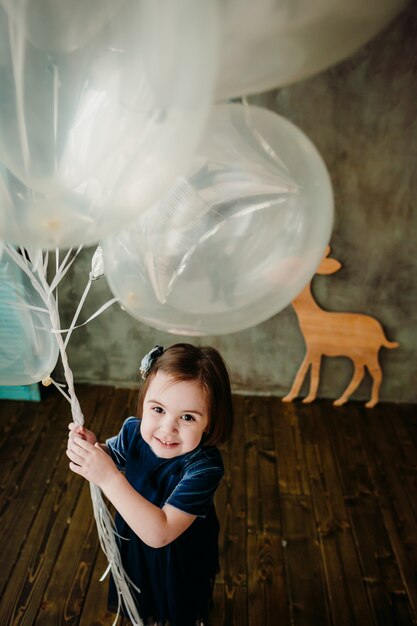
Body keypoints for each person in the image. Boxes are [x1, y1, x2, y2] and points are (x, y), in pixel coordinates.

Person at [67, 343, 234, 626]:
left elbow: (161, 533)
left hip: (179, 550)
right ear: (144, 402)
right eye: (157, 409)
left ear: (209, 422)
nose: (167, 428)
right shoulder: (133, 430)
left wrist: (108, 477)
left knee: (179, 597)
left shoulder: (204, 466)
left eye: (188, 417)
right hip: (133, 533)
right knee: (145, 590)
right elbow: (115, 456)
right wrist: (94, 450)